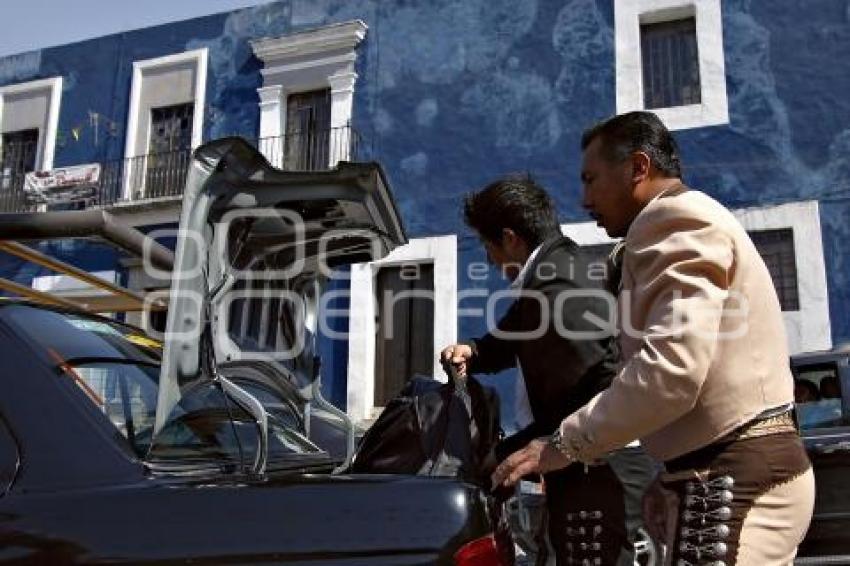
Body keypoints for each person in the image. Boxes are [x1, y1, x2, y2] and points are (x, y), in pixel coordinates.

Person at [492, 111, 816, 565]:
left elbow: (671, 369)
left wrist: (564, 444)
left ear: (638, 168)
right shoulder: (672, 225)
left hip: (735, 477)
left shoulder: (675, 220)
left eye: (591, 179)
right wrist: (668, 474)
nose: (583, 198)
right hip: (721, 474)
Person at [441, 175, 655, 565]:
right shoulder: (553, 272)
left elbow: (592, 389)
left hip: (599, 466)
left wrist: (509, 452)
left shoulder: (555, 290)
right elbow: (514, 333)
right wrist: (473, 351)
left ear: (510, 239)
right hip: (582, 458)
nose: (489, 261)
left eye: (488, 247)